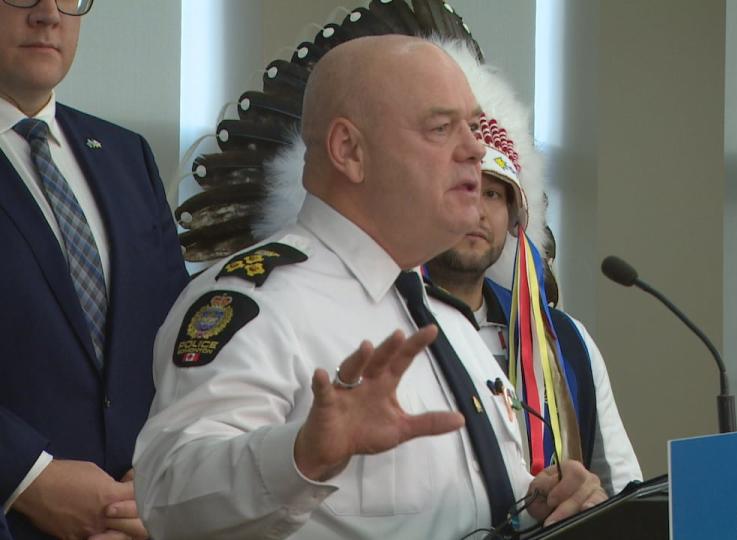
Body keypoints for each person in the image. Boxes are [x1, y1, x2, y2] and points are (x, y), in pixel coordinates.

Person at [134, 35, 606, 540]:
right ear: (349, 150)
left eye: (472, 126)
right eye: (442, 128)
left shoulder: (448, 322)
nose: (476, 148)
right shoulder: (258, 302)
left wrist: (543, 502)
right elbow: (167, 492)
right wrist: (302, 455)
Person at [0, 0, 188, 538]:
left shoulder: (128, 156)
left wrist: (159, 467)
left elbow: (178, 338)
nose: (48, 14)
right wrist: (28, 479)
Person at [423, 42, 642, 496]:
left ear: (516, 219)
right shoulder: (383, 329)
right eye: (464, 189)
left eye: (494, 195)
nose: (478, 211)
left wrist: (593, 500)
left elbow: (625, 492)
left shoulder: (568, 344)